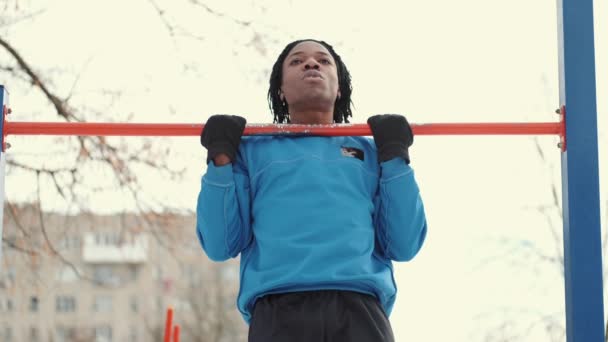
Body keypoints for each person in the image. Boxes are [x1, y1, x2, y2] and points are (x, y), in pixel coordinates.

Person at [197, 39, 427, 342]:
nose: (311, 64)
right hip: (277, 311)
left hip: (358, 309)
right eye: (296, 61)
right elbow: (219, 243)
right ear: (280, 89)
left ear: (339, 87)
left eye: (323, 60)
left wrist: (396, 158)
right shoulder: (253, 152)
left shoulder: (372, 152)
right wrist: (221, 157)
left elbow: (403, 243)